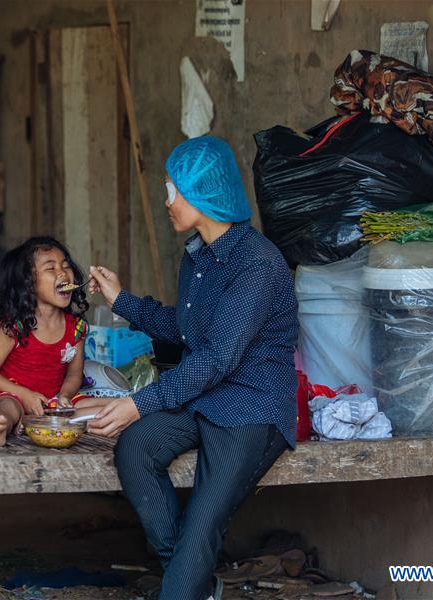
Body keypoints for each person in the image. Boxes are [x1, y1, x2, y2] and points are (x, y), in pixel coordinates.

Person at [87, 136, 298, 600]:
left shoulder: (257, 264)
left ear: (200, 193)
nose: (167, 202)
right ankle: (193, 581)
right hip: (206, 396)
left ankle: (186, 581)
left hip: (252, 406)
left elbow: (219, 357)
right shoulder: (198, 255)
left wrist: (138, 403)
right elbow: (186, 331)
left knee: (205, 520)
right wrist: (121, 300)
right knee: (136, 448)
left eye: (171, 191)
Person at [0, 237, 91, 447]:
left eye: (65, 265)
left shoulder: (76, 328)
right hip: (14, 395)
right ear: (29, 283)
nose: (63, 272)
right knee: (7, 408)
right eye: (50, 268)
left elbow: (74, 374)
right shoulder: (15, 327)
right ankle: (0, 428)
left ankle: (121, 416)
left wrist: (64, 396)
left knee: (99, 407)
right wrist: (25, 396)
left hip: (52, 403)